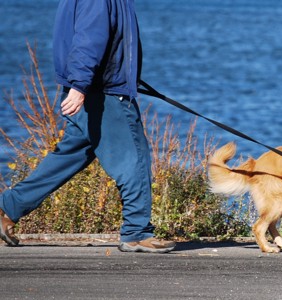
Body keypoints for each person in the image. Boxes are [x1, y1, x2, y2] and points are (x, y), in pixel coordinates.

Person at [0, 0, 175, 253]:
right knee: (134, 158)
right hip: (104, 94)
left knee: (69, 156)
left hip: (93, 89)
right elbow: (88, 40)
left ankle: (8, 208)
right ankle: (137, 233)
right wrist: (80, 86)